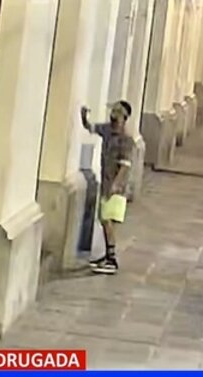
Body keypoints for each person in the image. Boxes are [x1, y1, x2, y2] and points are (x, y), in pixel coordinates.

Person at [80, 101, 134, 275]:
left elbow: (125, 165)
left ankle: (111, 259)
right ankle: (107, 255)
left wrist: (116, 185)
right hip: (106, 183)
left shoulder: (126, 140)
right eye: (113, 113)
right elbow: (91, 127)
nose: (113, 117)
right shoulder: (107, 130)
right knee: (105, 220)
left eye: (117, 114)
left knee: (108, 220)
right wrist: (84, 117)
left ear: (124, 118)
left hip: (116, 188)